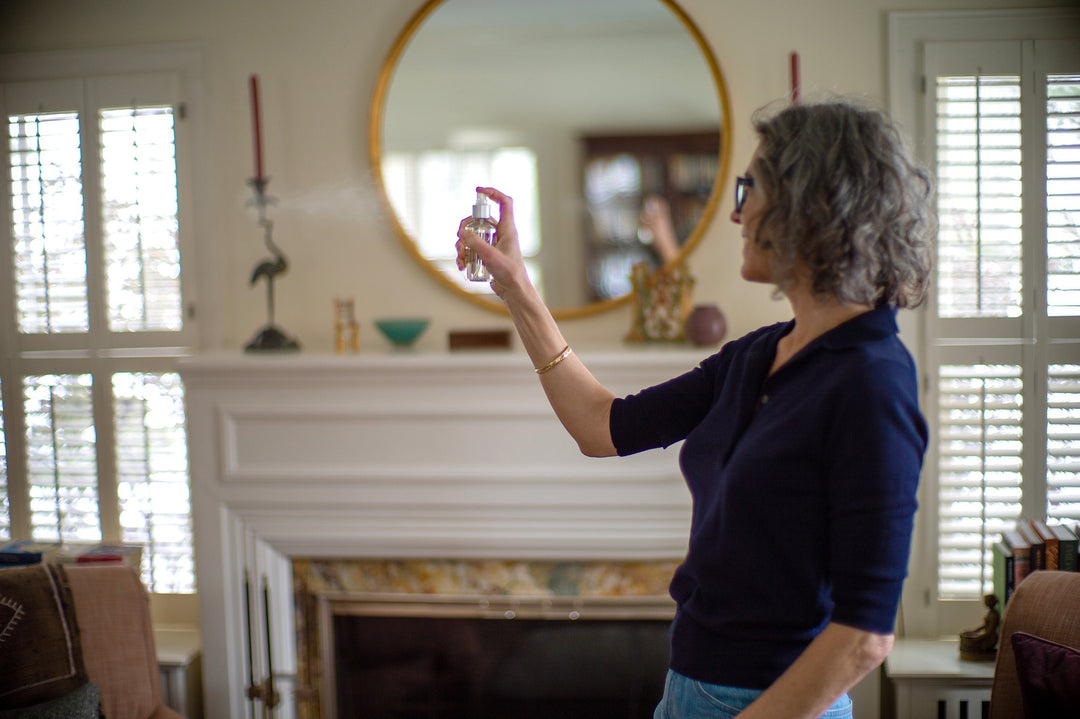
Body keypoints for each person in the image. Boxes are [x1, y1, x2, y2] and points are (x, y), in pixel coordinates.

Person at [456, 99, 933, 719]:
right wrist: (515, 284)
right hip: (689, 689)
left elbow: (864, 636)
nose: (735, 212)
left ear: (810, 204)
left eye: (749, 188)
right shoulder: (757, 355)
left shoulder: (873, 381)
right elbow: (602, 426)